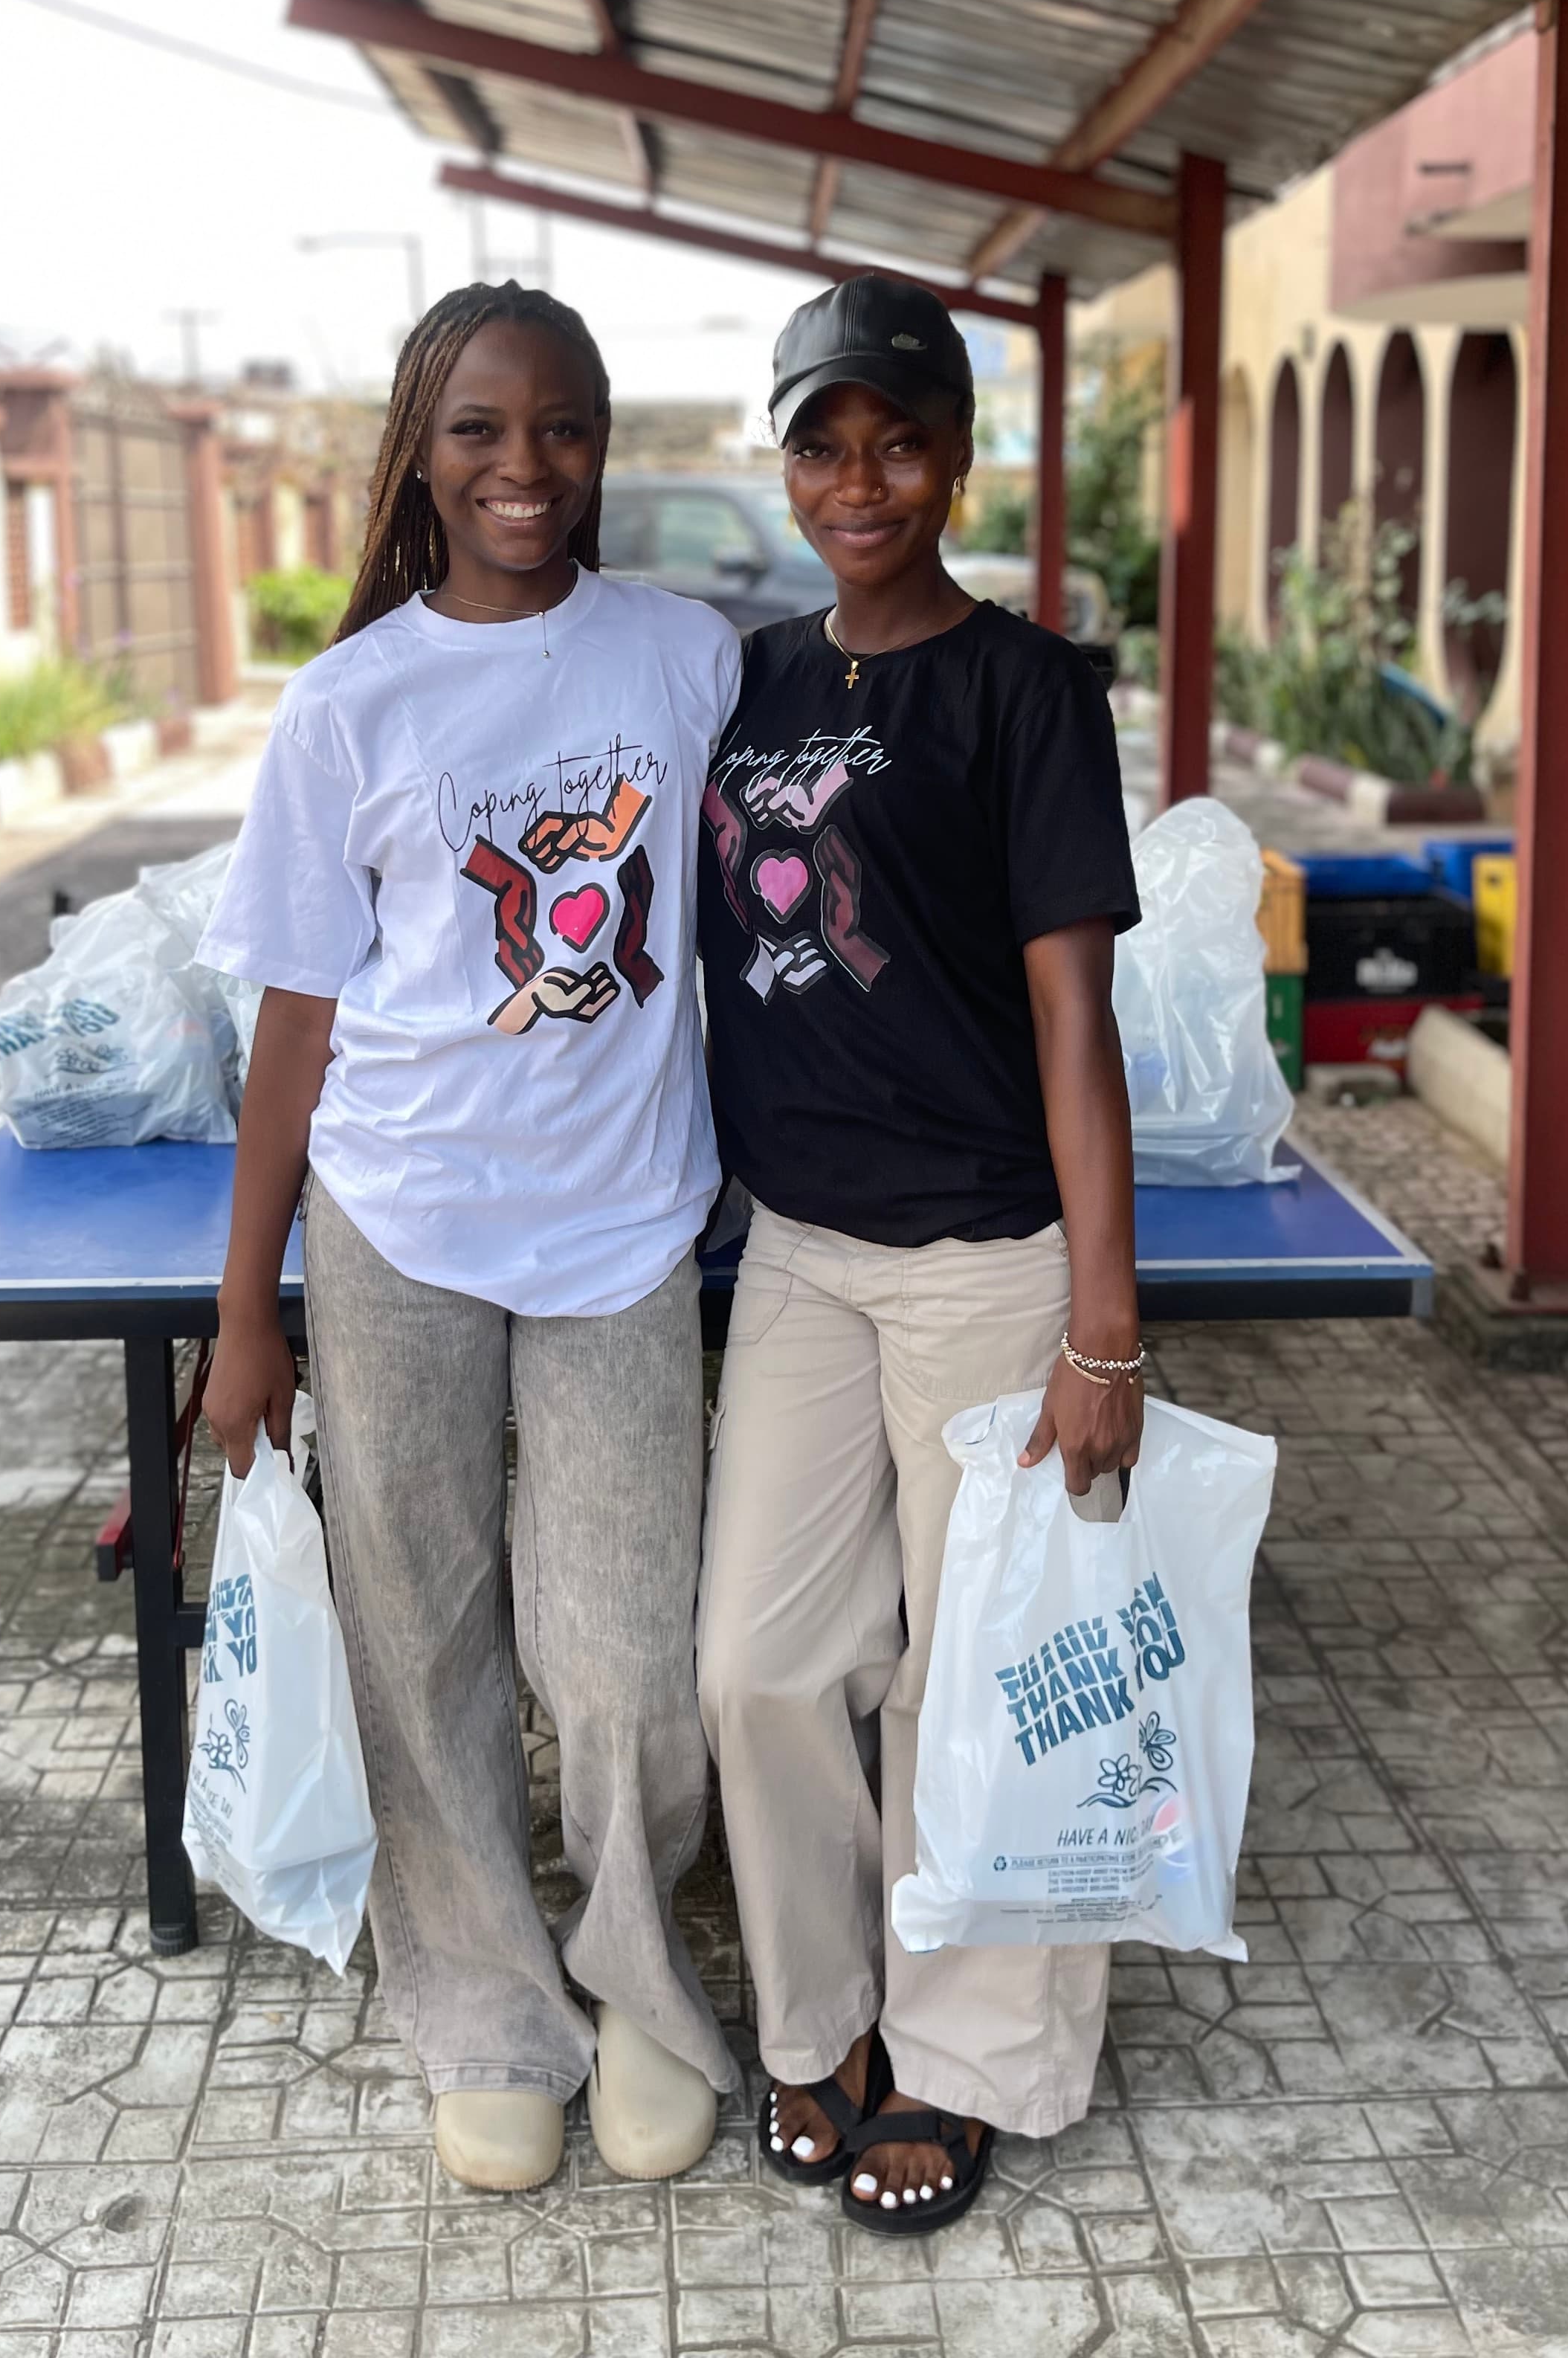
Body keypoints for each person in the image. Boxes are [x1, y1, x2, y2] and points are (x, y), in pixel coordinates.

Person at [198, 280, 741, 2195]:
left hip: (622, 1230)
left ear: (604, 447)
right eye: (483, 432)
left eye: (565, 428)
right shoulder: (350, 704)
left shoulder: (684, 662)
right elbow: (297, 1020)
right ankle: (490, 2015)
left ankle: (645, 1994)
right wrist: (247, 1305)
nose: (528, 469)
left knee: (620, 1658)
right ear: (420, 453)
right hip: (398, 1223)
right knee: (421, 1640)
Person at [694, 271, 1144, 2233]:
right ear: (786, 466)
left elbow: (1074, 1022)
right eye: (822, 442)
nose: (857, 478)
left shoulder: (1030, 691)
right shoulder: (750, 679)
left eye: (894, 440)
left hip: (987, 1260)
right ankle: (823, 2015)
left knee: (978, 1678)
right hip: (795, 1249)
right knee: (763, 1665)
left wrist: (1104, 1327)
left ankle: (967, 2061)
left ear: (956, 456)